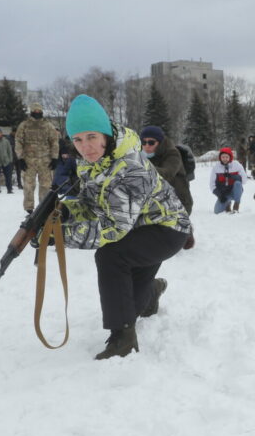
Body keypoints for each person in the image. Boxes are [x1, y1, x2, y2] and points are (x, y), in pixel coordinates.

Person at [58, 94, 191, 360]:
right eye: (78, 139)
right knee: (134, 304)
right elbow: (91, 205)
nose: (86, 147)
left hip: (166, 229)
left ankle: (123, 339)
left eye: (92, 136)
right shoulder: (91, 163)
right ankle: (151, 293)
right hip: (138, 227)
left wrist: (61, 237)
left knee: (110, 255)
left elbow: (113, 229)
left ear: (106, 135)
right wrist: (64, 212)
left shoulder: (130, 166)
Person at [139, 126, 194, 215]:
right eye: (143, 142)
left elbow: (167, 174)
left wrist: (140, 167)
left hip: (179, 202)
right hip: (156, 202)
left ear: (160, 143)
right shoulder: (141, 155)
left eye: (151, 142)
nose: (147, 146)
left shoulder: (173, 154)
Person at [14, 102, 59, 212]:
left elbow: (54, 141)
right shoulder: (24, 125)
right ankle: (29, 208)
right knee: (28, 186)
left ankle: (43, 208)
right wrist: (20, 158)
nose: (37, 113)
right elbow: (18, 142)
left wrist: (54, 158)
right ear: (32, 112)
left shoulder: (48, 126)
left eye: (39, 111)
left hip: (45, 161)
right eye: (35, 111)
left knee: (46, 186)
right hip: (29, 161)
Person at [210, 147, 247, 214]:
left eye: (227, 157)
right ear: (220, 157)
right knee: (217, 211)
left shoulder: (236, 165)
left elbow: (244, 180)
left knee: (238, 183)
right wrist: (220, 195)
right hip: (224, 193)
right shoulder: (216, 167)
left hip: (235, 191)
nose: (225, 159)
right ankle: (227, 203)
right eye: (223, 157)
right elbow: (212, 185)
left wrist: (233, 177)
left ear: (230, 157)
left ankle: (236, 205)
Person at [0, 128, 15, 194]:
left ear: (1, 134)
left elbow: (9, 151)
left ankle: (9, 189)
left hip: (6, 161)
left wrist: (10, 160)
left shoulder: (6, 141)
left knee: (8, 176)